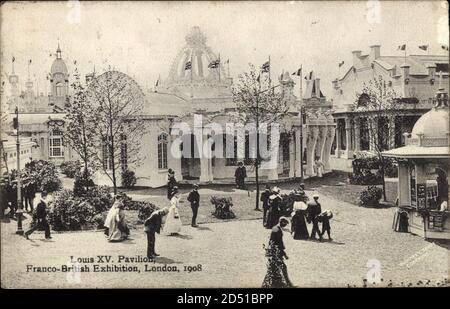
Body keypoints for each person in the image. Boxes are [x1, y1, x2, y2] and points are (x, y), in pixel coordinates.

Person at [262, 217, 293, 288]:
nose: (285, 225)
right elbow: (278, 242)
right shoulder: (277, 230)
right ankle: (288, 283)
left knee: (273, 268)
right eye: (285, 224)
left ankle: (267, 283)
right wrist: (283, 253)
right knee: (281, 267)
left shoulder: (276, 228)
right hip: (276, 251)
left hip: (275, 250)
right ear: (282, 222)